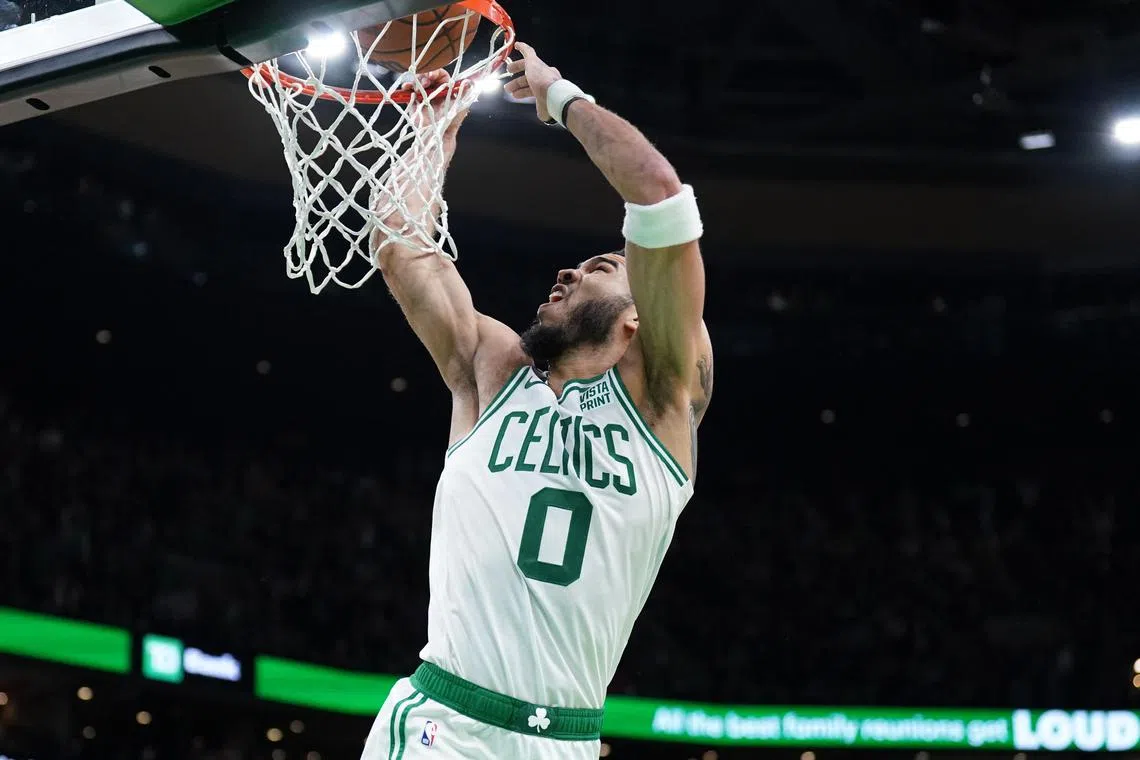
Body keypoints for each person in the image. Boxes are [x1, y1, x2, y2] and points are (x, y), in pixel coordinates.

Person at [362, 41, 713, 760]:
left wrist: (557, 97)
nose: (568, 271)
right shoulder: (492, 372)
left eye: (599, 267)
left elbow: (658, 194)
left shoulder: (666, 399)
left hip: (569, 742)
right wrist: (439, 122)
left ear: (637, 314)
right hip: (447, 726)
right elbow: (400, 245)